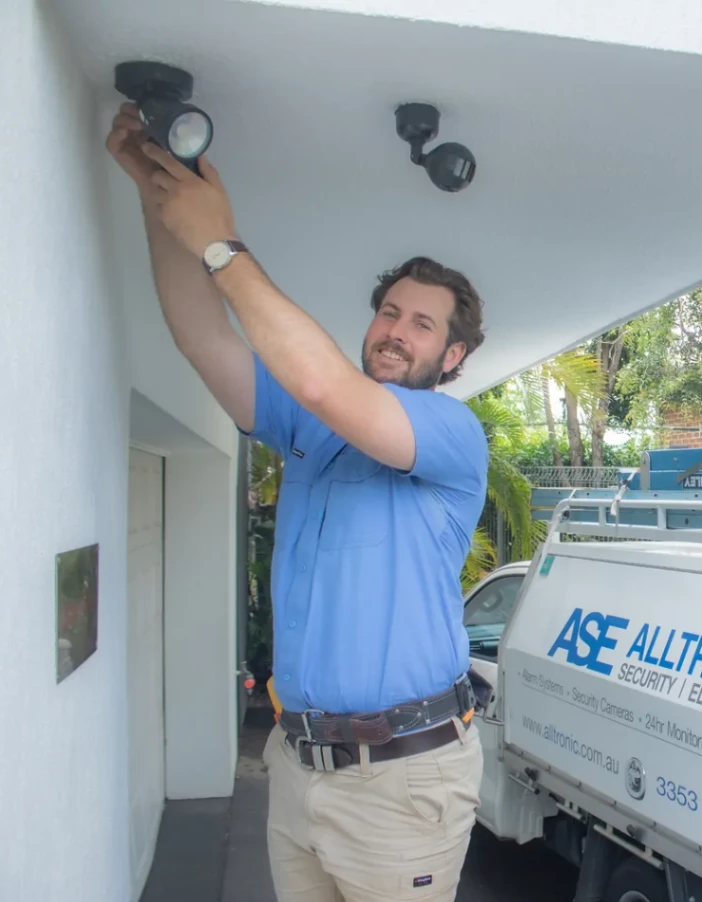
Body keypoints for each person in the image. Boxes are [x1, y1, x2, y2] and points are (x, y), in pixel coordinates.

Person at [106, 103, 489, 901]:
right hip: (297, 765)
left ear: (451, 357)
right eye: (388, 311)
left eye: (421, 325)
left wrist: (220, 241)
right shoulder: (312, 429)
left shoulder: (450, 435)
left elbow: (318, 378)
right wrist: (158, 200)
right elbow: (203, 340)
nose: (395, 330)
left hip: (402, 784)